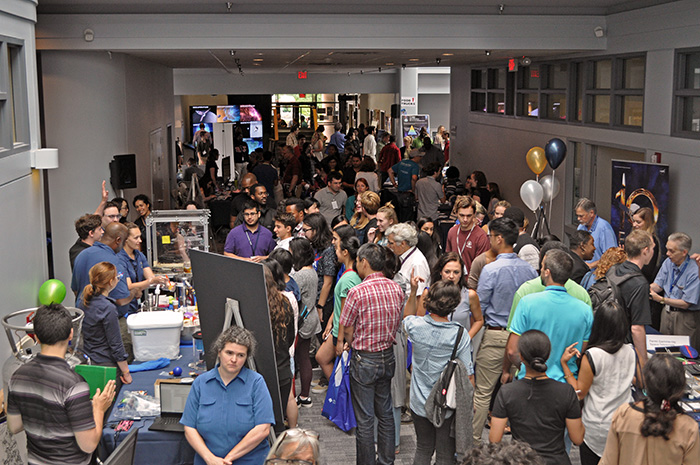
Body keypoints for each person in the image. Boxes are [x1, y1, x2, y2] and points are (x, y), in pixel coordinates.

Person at [7, 304, 117, 465]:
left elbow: (14, 426)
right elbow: (88, 445)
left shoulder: (16, 377)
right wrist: (98, 409)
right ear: (71, 334)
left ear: (36, 337)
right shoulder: (74, 385)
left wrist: (45, 411)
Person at [472, 217, 537, 444]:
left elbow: (479, 305)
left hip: (495, 334)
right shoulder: (530, 271)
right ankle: (522, 442)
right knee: (521, 392)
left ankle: (473, 443)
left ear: (499, 239)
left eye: (490, 236)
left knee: (483, 393)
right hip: (522, 338)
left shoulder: (491, 270)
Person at [339, 243, 405, 465]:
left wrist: (352, 344)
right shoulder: (396, 288)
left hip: (365, 357)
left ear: (364, 262)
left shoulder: (357, 292)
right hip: (388, 355)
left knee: (365, 419)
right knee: (385, 412)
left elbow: (347, 328)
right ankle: (386, 461)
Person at [403, 280, 475, 465]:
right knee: (445, 454)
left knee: (423, 448)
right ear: (454, 305)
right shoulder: (459, 334)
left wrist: (413, 292)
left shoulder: (415, 326)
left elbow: (407, 317)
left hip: (418, 402)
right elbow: (468, 374)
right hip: (446, 405)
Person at [181, 326, 274, 465]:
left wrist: (229, 458)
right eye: (229, 353)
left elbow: (263, 429)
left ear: (246, 357)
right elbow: (189, 427)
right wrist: (209, 459)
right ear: (219, 352)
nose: (234, 359)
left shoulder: (256, 382)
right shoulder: (201, 383)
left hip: (250, 460)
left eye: (240, 355)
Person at [490, 330, 584, 465]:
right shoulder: (566, 392)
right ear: (548, 355)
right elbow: (577, 438)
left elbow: (494, 440)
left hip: (521, 460)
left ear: (521, 357)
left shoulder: (507, 392)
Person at [560, 301, 636, 465]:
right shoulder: (630, 351)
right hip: (624, 422)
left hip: (597, 426)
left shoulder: (593, 355)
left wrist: (565, 365)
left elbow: (580, 393)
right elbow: (632, 379)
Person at [506, 248, 593, 383]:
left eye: (542, 267)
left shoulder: (527, 303)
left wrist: (525, 368)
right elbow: (580, 352)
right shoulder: (585, 310)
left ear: (547, 272)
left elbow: (512, 351)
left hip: (530, 382)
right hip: (566, 385)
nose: (540, 270)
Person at [599, 354, 700, 464]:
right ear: (681, 386)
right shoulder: (688, 428)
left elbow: (608, 461)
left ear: (647, 382)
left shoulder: (624, 415)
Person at [78, 261, 133, 384]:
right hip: (106, 366)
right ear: (111, 282)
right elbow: (116, 344)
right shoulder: (108, 308)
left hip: (89, 362)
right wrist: (126, 373)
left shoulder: (84, 302)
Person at [407, 251, 484, 338]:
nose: (451, 276)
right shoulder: (429, 293)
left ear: (461, 273)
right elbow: (418, 322)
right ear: (440, 272)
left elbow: (479, 320)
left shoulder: (469, 295)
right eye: (447, 272)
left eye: (456, 272)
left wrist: (466, 339)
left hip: (459, 348)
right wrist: (413, 291)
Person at [317, 233, 361, 384]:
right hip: (337, 328)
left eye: (337, 249)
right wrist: (330, 322)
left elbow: (344, 312)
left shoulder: (348, 279)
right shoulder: (350, 275)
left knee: (324, 359)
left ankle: (338, 390)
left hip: (340, 332)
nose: (335, 252)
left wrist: (340, 340)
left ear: (345, 252)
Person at [607, 229, 654, 366]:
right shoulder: (640, 284)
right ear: (645, 251)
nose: (653, 252)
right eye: (652, 249)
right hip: (623, 347)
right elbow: (637, 328)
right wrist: (643, 361)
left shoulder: (613, 270)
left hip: (605, 340)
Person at [651, 232, 700, 348]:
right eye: (667, 249)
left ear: (684, 252)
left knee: (684, 355)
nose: (667, 254)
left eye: (672, 251)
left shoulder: (694, 271)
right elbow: (658, 285)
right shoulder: (668, 263)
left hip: (685, 318)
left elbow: (685, 303)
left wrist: (661, 299)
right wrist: (643, 288)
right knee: (663, 352)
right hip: (666, 314)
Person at [71, 222, 136, 308]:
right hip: (107, 317)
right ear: (118, 240)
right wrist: (134, 292)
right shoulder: (115, 261)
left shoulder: (82, 255)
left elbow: (75, 289)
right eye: (123, 242)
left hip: (84, 315)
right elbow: (121, 300)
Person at [289, 237, 320, 408]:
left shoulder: (300, 275)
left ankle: (294, 397)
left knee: (296, 359)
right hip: (310, 317)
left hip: (301, 320)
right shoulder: (312, 270)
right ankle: (305, 396)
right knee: (304, 357)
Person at [261, 265, 295, 416]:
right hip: (282, 370)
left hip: (260, 373)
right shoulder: (285, 302)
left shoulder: (253, 307)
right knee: (279, 418)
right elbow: (290, 337)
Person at [302, 213, 337, 337]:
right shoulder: (315, 246)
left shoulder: (328, 251)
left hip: (325, 302)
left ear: (316, 230)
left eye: (306, 230)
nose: (304, 233)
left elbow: (328, 282)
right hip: (314, 299)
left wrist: (320, 306)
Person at [386, 223, 431, 302]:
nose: (388, 246)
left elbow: (420, 297)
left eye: (391, 243)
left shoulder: (417, 263)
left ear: (403, 244)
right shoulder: (401, 256)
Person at [445, 196, 490, 275]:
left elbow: (482, 267)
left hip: (471, 283)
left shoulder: (481, 236)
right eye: (462, 215)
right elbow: (448, 258)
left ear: (474, 214)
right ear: (456, 213)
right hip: (453, 281)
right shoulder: (452, 232)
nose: (465, 219)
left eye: (468, 216)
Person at [576, 198, 617, 268]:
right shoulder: (581, 227)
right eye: (577, 216)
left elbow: (612, 256)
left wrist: (591, 265)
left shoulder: (604, 228)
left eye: (581, 216)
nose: (578, 219)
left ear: (591, 213)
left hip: (599, 273)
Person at [631, 206, 662, 282]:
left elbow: (648, 270)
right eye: (633, 221)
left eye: (638, 222)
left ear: (647, 222)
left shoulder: (652, 242)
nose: (634, 225)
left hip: (643, 282)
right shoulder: (631, 239)